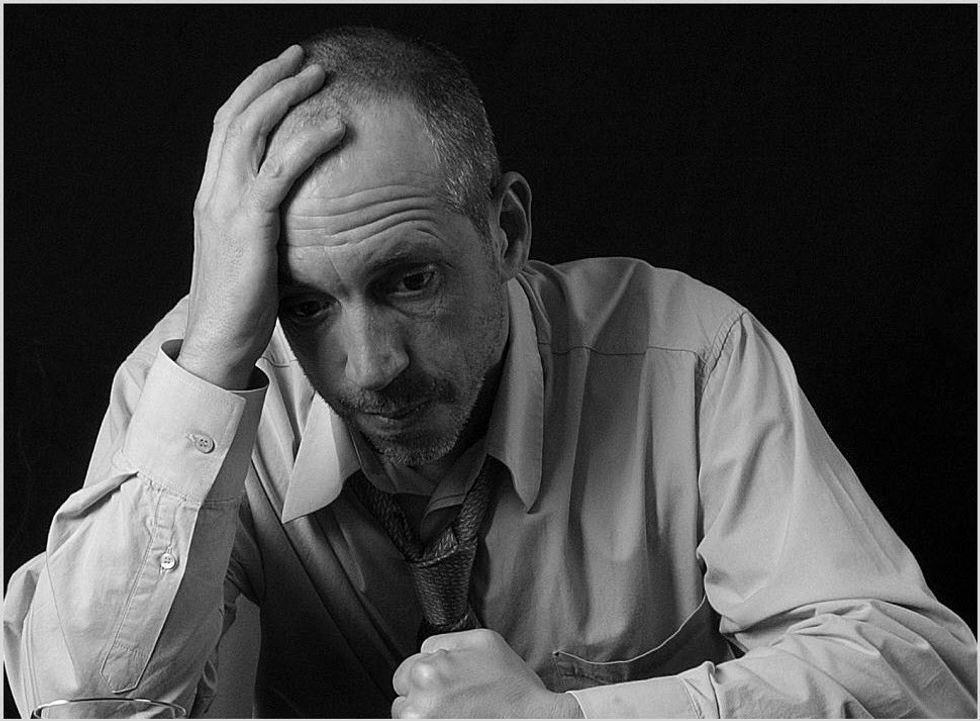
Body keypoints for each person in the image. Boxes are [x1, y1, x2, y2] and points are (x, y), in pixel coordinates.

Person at [3, 25, 976, 719]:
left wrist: (571, 720)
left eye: (409, 279)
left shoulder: (691, 359)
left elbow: (925, 676)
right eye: (305, 304)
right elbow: (82, 707)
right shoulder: (202, 382)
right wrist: (216, 353)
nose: (372, 366)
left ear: (506, 230)